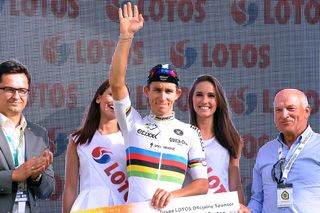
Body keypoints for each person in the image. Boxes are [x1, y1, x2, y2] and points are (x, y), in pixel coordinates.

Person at [109, 2, 208, 209]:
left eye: (168, 91)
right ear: (147, 91)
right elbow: (116, 83)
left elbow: (202, 184)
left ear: (178, 94)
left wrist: (174, 194)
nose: (162, 96)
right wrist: (126, 37)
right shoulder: (132, 123)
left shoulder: (190, 132)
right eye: (157, 90)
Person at [241, 88, 320, 213]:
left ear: (307, 111)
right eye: (278, 110)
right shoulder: (265, 152)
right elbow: (257, 200)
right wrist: (249, 211)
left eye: (290, 108)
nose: (284, 115)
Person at [62, 80, 127, 212]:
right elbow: (70, 187)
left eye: (121, 97)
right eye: (111, 94)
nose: (116, 101)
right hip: (89, 206)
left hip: (123, 206)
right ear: (98, 98)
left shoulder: (131, 139)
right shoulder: (78, 140)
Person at [0, 60, 54, 213]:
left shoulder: (38, 134)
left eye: (22, 90)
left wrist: (36, 176)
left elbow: (47, 190)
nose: (16, 96)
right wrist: (14, 175)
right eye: (9, 89)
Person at [187, 75, 245, 204]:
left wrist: (240, 207)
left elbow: (235, 186)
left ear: (218, 101)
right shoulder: (182, 138)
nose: (204, 100)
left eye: (211, 95)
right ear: (191, 99)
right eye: (199, 95)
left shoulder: (231, 139)